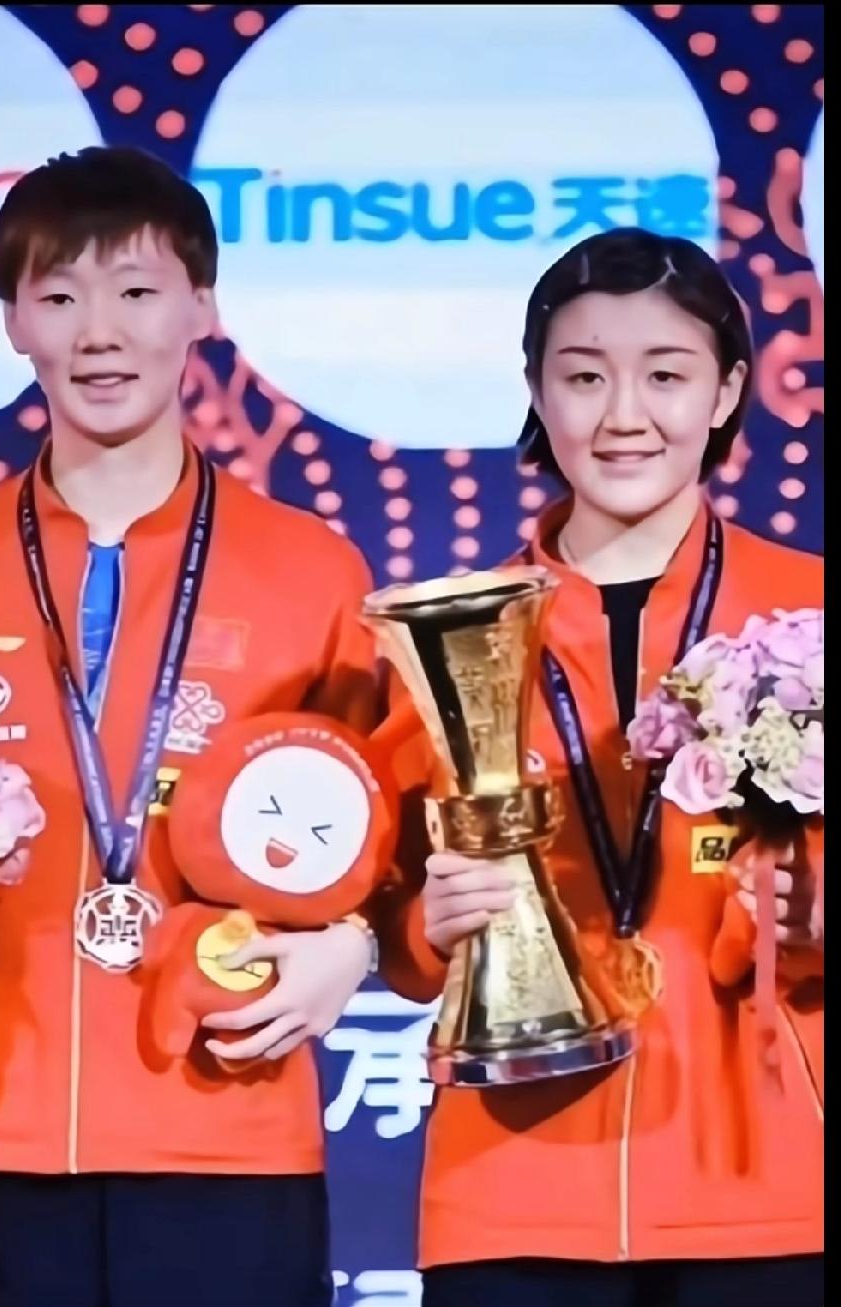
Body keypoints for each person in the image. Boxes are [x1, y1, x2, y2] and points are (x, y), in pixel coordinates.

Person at [0, 145, 383, 1307]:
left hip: (226, 1126)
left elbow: (395, 825)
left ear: (201, 305)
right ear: (11, 322)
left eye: (136, 291)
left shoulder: (312, 570)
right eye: (58, 297)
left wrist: (355, 942)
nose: (100, 333)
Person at [376, 229, 824, 1307]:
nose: (623, 414)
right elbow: (386, 912)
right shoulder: (446, 636)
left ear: (725, 391)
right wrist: (426, 927)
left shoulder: (807, 612)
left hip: (766, 1177)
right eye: (583, 377)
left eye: (664, 375)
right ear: (537, 391)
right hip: (512, 1185)